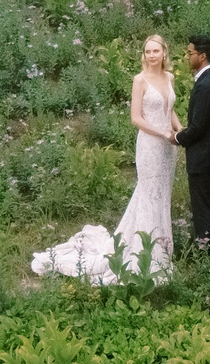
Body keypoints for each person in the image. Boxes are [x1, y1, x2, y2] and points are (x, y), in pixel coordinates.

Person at [29, 33, 178, 283]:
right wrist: (163, 132)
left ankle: (162, 248)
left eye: (156, 51)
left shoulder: (170, 77)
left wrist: (180, 131)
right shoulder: (139, 80)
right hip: (151, 145)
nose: (152, 55)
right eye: (148, 51)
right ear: (145, 55)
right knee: (148, 194)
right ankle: (144, 251)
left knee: (162, 195)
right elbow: (136, 119)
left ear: (164, 53)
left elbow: (169, 110)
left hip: (168, 148)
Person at [173, 31, 210, 255]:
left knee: (204, 209)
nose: (188, 57)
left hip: (202, 158)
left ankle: (208, 255)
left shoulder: (206, 84)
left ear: (202, 56)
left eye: (190, 53)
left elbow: (197, 127)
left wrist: (178, 137)